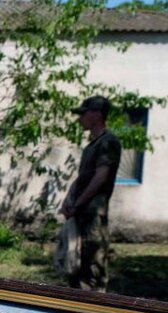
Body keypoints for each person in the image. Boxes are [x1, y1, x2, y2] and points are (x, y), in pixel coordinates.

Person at [60, 95, 121, 292]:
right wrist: (69, 199)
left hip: (93, 215)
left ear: (96, 114)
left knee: (92, 271)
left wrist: (78, 204)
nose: (79, 119)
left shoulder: (108, 142)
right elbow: (83, 177)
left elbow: (101, 177)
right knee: (75, 267)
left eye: (83, 114)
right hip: (81, 213)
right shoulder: (92, 145)